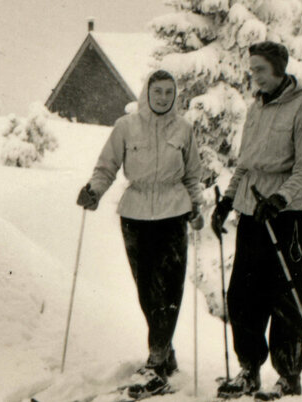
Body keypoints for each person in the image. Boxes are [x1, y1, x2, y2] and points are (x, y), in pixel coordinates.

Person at [77, 70, 204, 397]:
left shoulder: (185, 129)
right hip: (134, 215)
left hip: (173, 212)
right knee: (147, 290)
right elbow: (106, 166)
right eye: (157, 91)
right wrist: (94, 191)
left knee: (171, 288)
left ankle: (156, 360)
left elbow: (193, 175)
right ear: (146, 92)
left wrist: (197, 207)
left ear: (175, 95)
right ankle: (165, 353)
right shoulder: (126, 127)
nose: (163, 97)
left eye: (168, 92)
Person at [211, 41, 302, 400]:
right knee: (242, 296)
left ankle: (288, 376)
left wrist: (279, 199)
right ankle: (249, 370)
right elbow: (245, 164)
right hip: (251, 212)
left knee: (285, 297)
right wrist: (228, 201)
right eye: (251, 68)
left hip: (287, 217)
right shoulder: (255, 109)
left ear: (279, 68)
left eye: (259, 68)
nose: (253, 75)